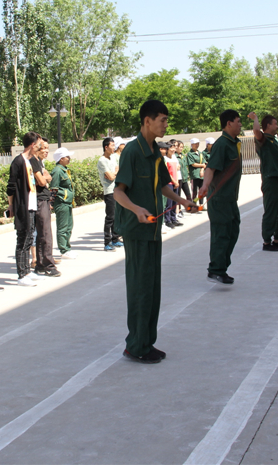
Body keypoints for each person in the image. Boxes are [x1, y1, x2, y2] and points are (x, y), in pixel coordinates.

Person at [114, 100, 196, 363]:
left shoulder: (155, 153)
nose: (166, 124)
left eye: (166, 119)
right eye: (162, 119)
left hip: (153, 229)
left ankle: (146, 342)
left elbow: (163, 187)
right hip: (137, 231)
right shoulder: (132, 152)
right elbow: (118, 192)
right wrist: (136, 209)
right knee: (140, 288)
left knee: (152, 288)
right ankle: (135, 346)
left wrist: (183, 201)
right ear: (147, 121)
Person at [201, 110, 244, 282]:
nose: (240, 125)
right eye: (238, 121)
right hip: (219, 198)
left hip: (230, 197)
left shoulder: (234, 143)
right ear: (228, 123)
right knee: (222, 233)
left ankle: (221, 267)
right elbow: (211, 168)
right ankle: (216, 269)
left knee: (233, 230)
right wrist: (204, 186)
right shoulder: (222, 144)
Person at [250, 112, 278, 251]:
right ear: (268, 125)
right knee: (271, 211)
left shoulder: (274, 140)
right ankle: (267, 242)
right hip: (270, 180)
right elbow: (256, 131)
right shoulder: (264, 140)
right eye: (275, 123)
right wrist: (255, 118)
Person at [7, 132, 41, 287]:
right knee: (22, 239)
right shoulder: (18, 161)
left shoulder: (30, 161)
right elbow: (11, 186)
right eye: (38, 144)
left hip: (32, 205)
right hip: (23, 206)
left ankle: (27, 271)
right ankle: (21, 274)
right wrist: (11, 206)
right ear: (32, 145)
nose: (40, 148)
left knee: (29, 238)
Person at [30, 138, 61, 276]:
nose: (46, 150)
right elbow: (43, 181)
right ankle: (48, 264)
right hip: (39, 199)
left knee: (43, 233)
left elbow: (48, 177)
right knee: (45, 233)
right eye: (43, 147)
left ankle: (41, 264)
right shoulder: (32, 161)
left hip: (43, 199)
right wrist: (45, 178)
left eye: (47, 147)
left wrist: (46, 178)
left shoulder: (39, 162)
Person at [97, 137, 124, 251]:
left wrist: (115, 172)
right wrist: (116, 172)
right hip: (109, 192)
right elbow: (111, 176)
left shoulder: (113, 158)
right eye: (112, 145)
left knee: (116, 216)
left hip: (116, 190)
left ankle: (115, 238)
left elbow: (117, 170)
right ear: (106, 147)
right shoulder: (102, 161)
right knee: (110, 217)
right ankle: (107, 242)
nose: (114, 147)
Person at [50, 147, 76, 259]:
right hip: (61, 202)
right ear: (60, 159)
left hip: (67, 202)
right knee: (63, 226)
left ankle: (67, 247)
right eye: (67, 156)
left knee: (69, 226)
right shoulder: (57, 171)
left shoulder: (64, 169)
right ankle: (63, 250)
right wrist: (51, 203)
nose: (69, 158)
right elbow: (53, 188)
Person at [163, 142, 181, 230]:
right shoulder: (164, 159)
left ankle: (174, 218)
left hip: (175, 182)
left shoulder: (174, 158)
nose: (173, 149)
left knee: (174, 202)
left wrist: (177, 181)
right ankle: (168, 220)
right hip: (169, 183)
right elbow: (167, 173)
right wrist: (174, 181)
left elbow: (176, 171)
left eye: (174, 148)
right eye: (171, 148)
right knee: (168, 203)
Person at [186, 138, 207, 208]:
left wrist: (201, 170)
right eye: (195, 144)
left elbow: (204, 162)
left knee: (202, 190)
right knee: (194, 191)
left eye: (198, 144)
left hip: (201, 175)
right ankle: (194, 204)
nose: (197, 145)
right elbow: (193, 164)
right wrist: (202, 165)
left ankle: (201, 204)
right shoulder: (190, 154)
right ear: (191, 144)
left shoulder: (200, 153)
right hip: (194, 175)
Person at [176, 141, 192, 217]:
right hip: (179, 178)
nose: (181, 148)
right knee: (178, 195)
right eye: (180, 147)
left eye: (182, 147)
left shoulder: (183, 156)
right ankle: (178, 210)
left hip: (185, 178)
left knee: (188, 194)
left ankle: (190, 207)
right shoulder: (174, 156)